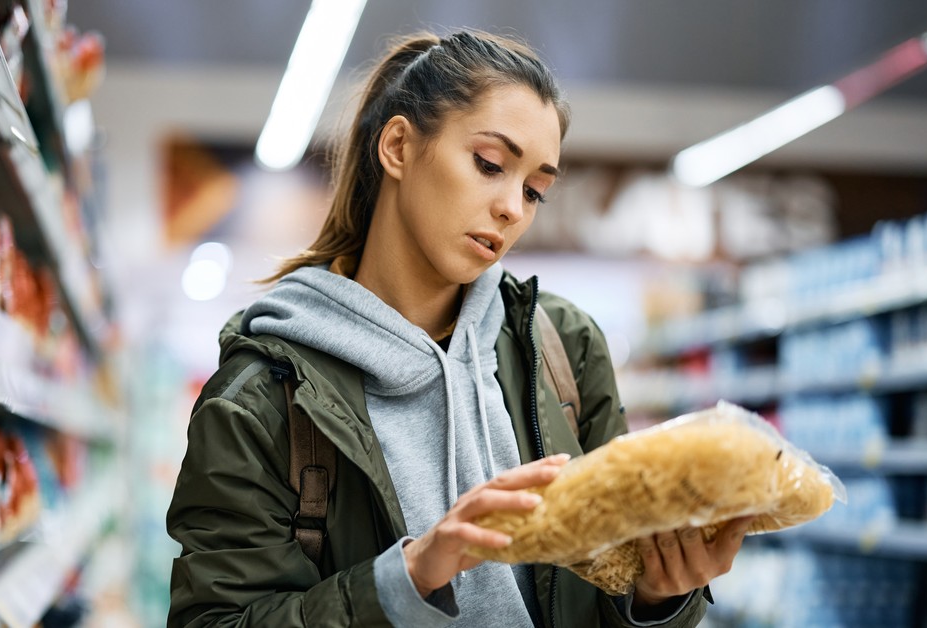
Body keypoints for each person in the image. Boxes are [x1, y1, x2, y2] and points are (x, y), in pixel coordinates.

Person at [166, 30, 750, 627]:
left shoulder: (562, 349)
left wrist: (656, 599)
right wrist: (408, 578)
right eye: (489, 165)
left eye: (534, 191)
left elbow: (613, 596)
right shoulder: (262, 395)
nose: (512, 209)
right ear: (397, 146)